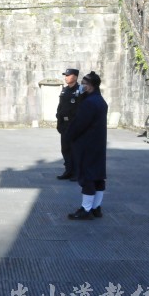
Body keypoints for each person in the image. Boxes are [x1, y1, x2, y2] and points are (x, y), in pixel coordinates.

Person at [66, 71, 108, 220]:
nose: (82, 86)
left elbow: (79, 124)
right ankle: (96, 207)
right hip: (98, 144)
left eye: (84, 84)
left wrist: (69, 136)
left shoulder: (89, 103)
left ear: (90, 86)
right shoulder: (100, 100)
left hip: (87, 144)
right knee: (98, 176)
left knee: (88, 176)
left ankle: (86, 209)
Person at [56, 68, 83, 180]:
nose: (66, 77)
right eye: (65, 75)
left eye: (68, 75)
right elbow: (60, 106)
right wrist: (58, 118)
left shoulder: (80, 90)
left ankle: (77, 172)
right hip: (64, 125)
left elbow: (82, 108)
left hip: (75, 125)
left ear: (75, 77)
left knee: (75, 149)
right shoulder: (64, 90)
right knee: (65, 149)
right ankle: (68, 170)